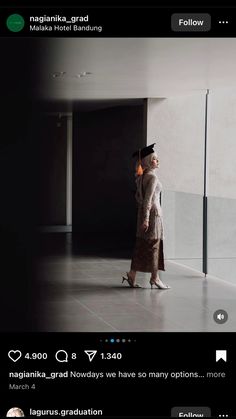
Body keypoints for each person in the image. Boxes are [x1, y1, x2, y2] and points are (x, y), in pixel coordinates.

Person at [122, 143, 170, 289]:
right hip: (152, 215)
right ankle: (155, 278)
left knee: (141, 245)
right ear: (149, 161)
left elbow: (139, 198)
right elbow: (149, 199)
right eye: (155, 159)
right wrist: (147, 219)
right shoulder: (152, 178)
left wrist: (142, 216)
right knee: (154, 246)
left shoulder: (141, 177)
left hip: (142, 213)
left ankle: (131, 275)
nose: (157, 161)